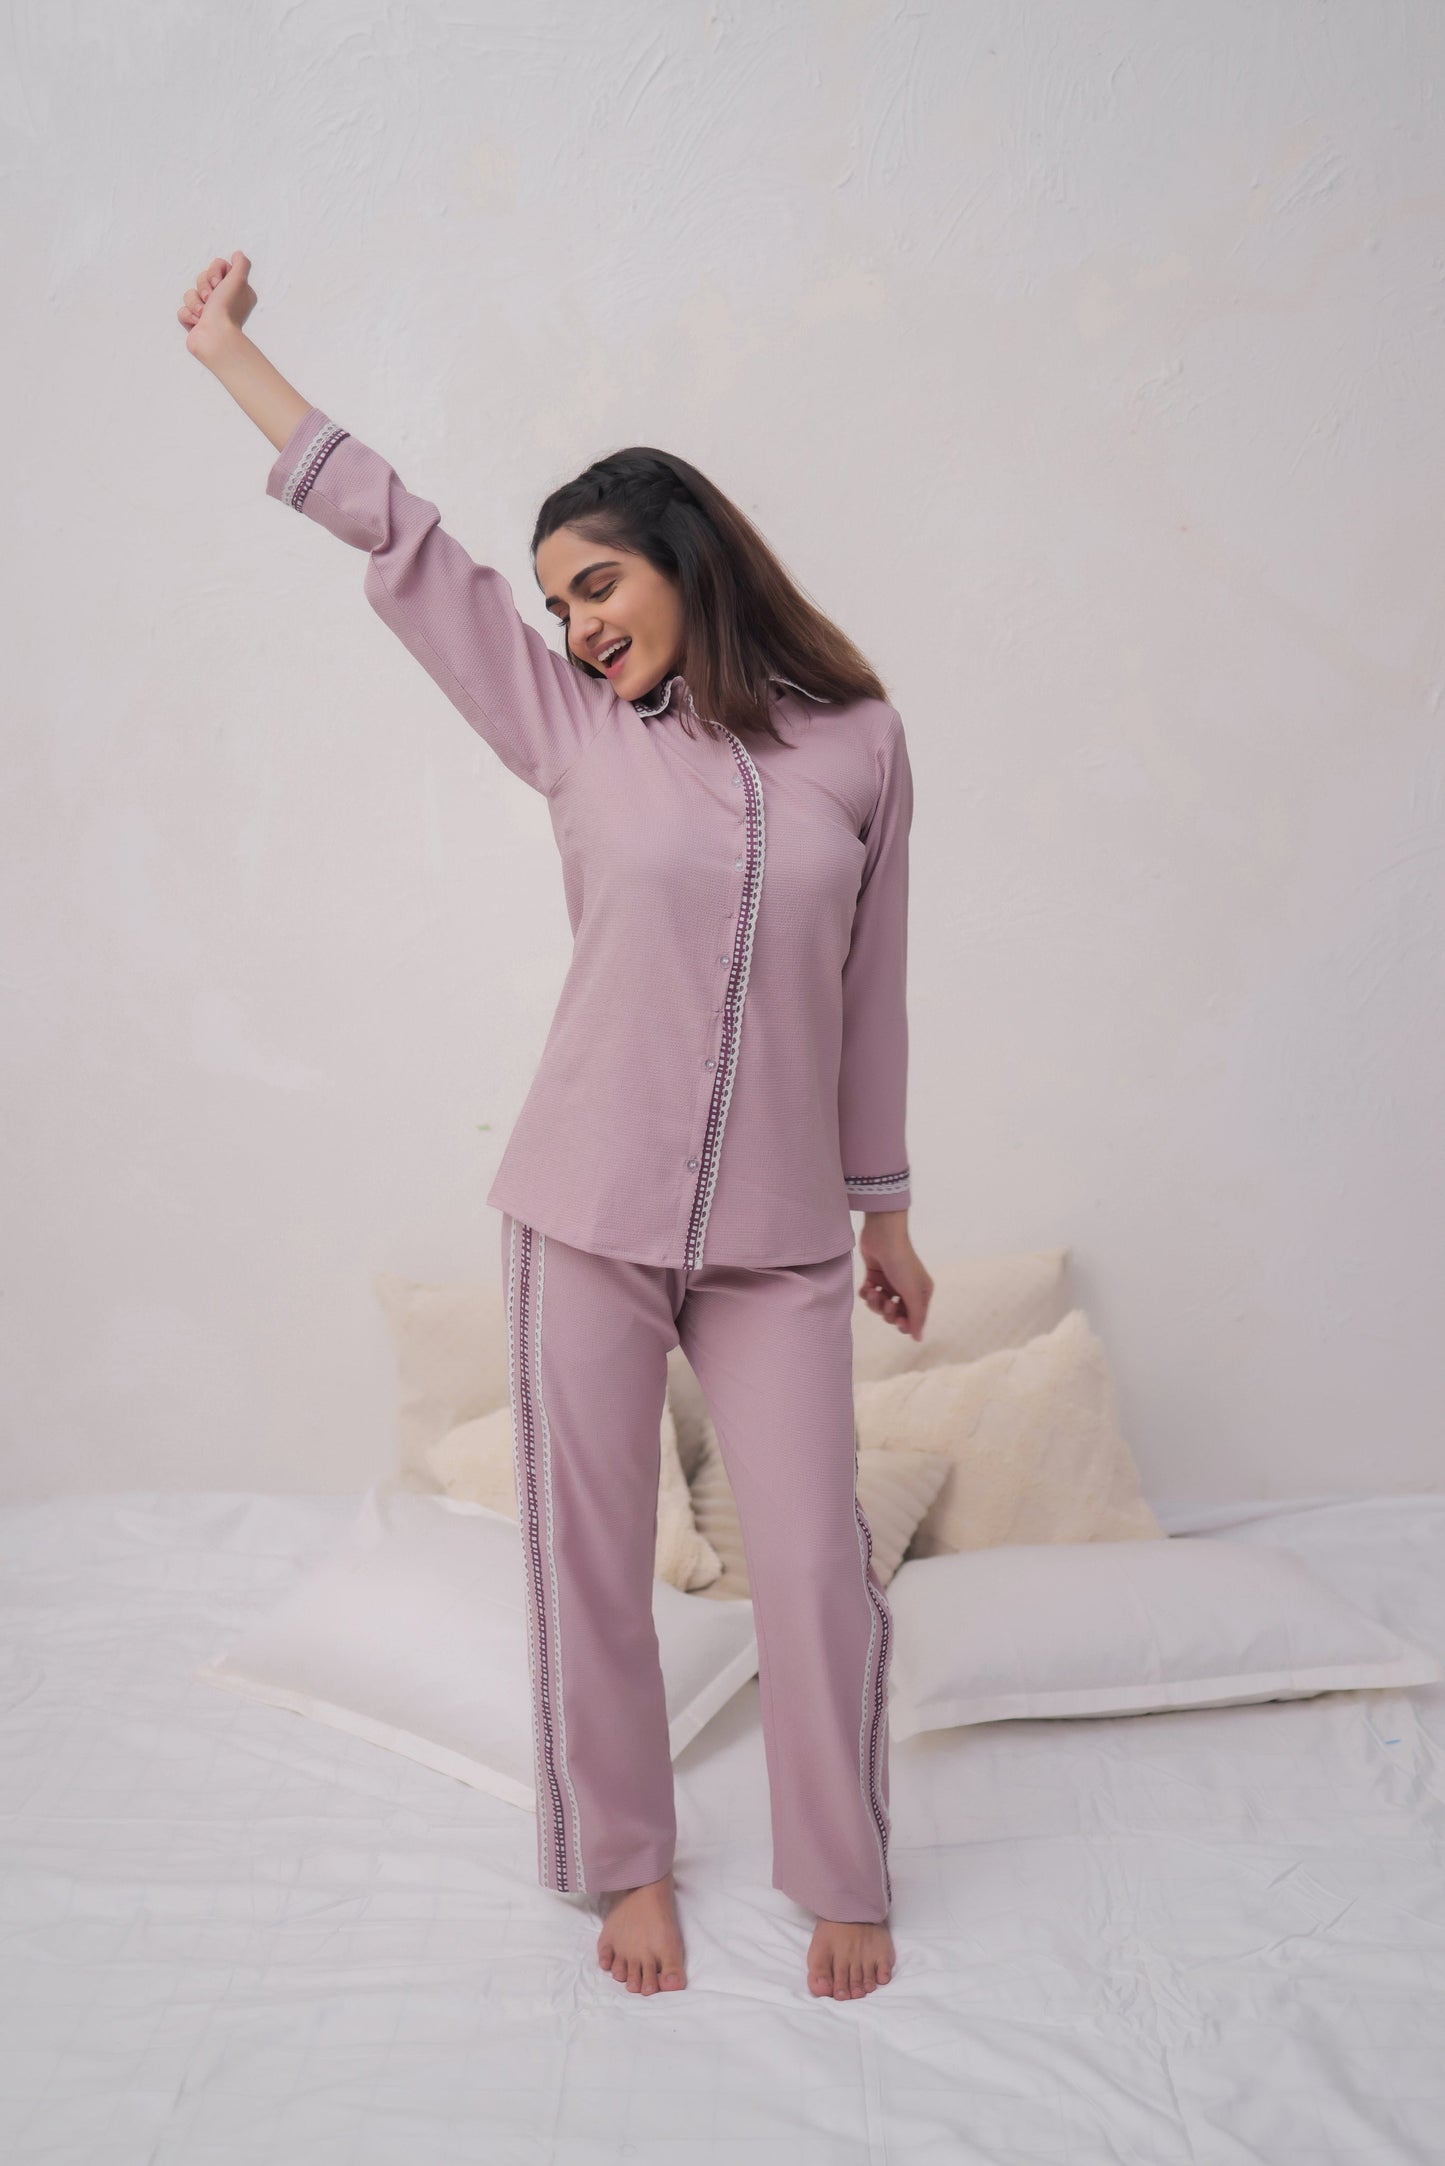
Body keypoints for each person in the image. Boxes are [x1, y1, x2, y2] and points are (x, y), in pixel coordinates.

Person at [178, 250, 934, 2003]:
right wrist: (234, 360)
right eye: (559, 602)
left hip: (776, 1236)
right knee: (589, 1554)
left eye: (599, 583)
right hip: (580, 1212)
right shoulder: (570, 726)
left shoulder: (862, 745)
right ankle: (623, 1859)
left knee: (811, 1561)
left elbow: (873, 992)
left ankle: (841, 1864)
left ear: (688, 558)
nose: (579, 623)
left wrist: (884, 1211)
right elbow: (405, 544)